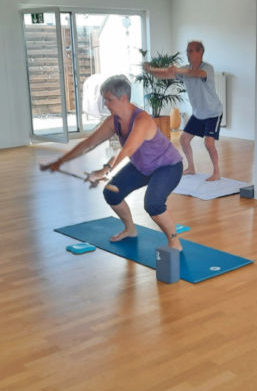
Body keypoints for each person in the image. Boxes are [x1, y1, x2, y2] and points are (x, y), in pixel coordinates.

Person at [41, 75, 184, 250]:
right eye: (105, 100)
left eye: (109, 100)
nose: (106, 104)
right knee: (112, 193)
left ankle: (174, 242)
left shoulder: (142, 120)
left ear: (123, 98)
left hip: (167, 166)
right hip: (142, 166)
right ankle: (130, 229)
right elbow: (88, 143)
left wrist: (104, 171)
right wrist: (61, 161)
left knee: (153, 203)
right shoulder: (113, 121)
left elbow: (128, 150)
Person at [144, 40, 223, 181]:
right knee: (184, 139)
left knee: (209, 143)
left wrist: (177, 70)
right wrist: (151, 70)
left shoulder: (207, 69)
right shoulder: (185, 70)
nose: (188, 53)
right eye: (187, 50)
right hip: (198, 114)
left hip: (213, 113)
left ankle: (216, 172)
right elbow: (166, 75)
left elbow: (196, 73)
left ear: (200, 52)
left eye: (191, 50)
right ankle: (191, 168)